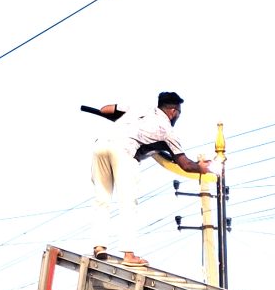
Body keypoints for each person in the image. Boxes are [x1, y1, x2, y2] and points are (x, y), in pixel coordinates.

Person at [90, 91, 211, 266]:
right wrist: (203, 168)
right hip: (124, 151)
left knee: (102, 199)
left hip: (100, 145)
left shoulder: (138, 109)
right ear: (173, 111)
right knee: (128, 203)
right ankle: (128, 255)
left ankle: (99, 246)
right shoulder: (167, 131)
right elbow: (185, 164)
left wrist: (122, 122)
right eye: (178, 113)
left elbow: (105, 109)